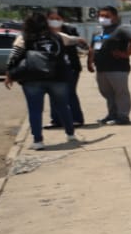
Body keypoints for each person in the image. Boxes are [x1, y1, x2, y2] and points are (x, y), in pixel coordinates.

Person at [4, 11, 77, 150]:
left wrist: (9, 74)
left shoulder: (24, 38)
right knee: (63, 107)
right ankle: (70, 134)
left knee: (35, 110)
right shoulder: (57, 36)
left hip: (32, 79)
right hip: (58, 77)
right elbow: (75, 41)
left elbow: (14, 55)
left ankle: (38, 141)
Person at [87, 5, 131, 125]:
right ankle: (112, 114)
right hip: (101, 68)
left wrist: (126, 54)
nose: (103, 18)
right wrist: (89, 62)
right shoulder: (97, 31)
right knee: (107, 93)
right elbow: (92, 48)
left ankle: (123, 116)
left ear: (115, 17)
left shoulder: (121, 29)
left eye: (107, 16)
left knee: (120, 93)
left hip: (117, 68)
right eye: (101, 16)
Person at [45, 9, 86, 129]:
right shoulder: (43, 32)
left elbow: (82, 45)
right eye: (52, 19)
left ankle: (76, 119)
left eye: (57, 19)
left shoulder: (70, 30)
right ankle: (56, 120)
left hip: (70, 67)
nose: (55, 21)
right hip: (51, 68)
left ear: (63, 20)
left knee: (69, 92)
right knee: (53, 93)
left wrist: (77, 41)